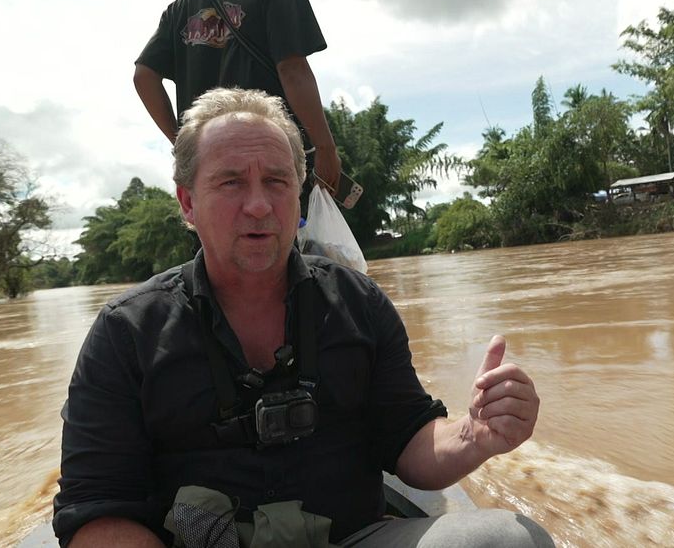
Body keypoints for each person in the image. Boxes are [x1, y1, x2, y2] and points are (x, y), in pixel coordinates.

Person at [53, 88, 552, 548]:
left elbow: (408, 439)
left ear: (299, 197)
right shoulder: (126, 333)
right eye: (230, 182)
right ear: (188, 203)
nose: (258, 205)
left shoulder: (358, 303)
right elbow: (96, 512)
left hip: (352, 539)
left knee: (510, 539)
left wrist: (475, 435)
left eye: (276, 180)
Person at [133, 0, 342, 191]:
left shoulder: (178, 9)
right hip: (268, 160)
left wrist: (183, 141)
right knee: (277, 229)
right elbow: (293, 70)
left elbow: (143, 76)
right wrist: (325, 148)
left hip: (209, 164)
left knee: (216, 231)